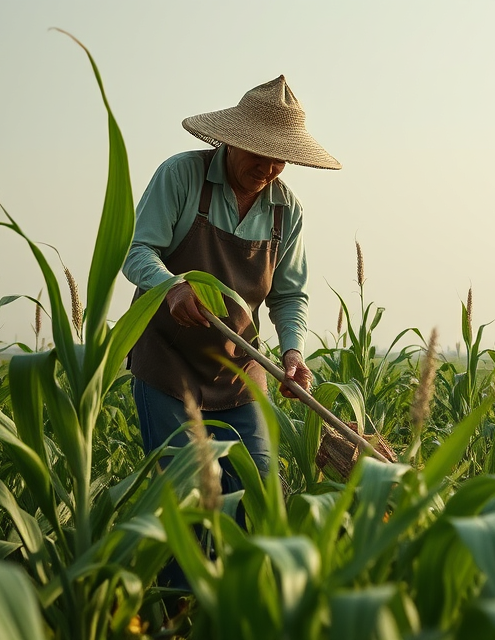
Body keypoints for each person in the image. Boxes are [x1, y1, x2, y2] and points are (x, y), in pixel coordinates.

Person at [123, 76, 339, 493]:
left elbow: (290, 294)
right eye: (259, 154)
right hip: (168, 363)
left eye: (280, 159)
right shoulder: (182, 176)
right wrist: (172, 286)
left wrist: (292, 351)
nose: (269, 168)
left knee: (257, 491)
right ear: (231, 140)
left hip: (239, 370)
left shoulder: (285, 210)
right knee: (189, 497)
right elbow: (137, 251)